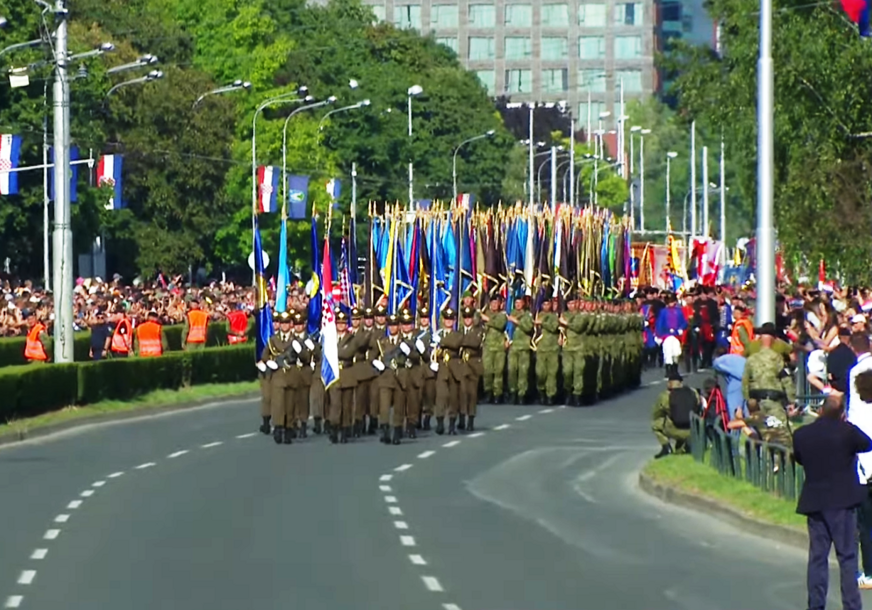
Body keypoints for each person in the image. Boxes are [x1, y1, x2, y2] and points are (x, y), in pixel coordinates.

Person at [793, 395, 872, 610]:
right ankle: (851, 605)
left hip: (815, 501)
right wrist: (847, 423)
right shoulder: (846, 432)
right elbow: (867, 443)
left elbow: (798, 457)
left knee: (818, 558)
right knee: (847, 557)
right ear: (842, 413)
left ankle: (816, 605)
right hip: (842, 503)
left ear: (820, 411)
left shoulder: (802, 434)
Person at [742, 322, 797, 448]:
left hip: (756, 401)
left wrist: (748, 402)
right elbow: (786, 380)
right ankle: (781, 463)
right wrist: (792, 401)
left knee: (761, 431)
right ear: (773, 339)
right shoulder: (777, 358)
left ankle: (762, 459)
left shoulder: (751, 358)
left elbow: (745, 382)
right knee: (782, 433)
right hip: (774, 400)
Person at [652, 369, 701, 458]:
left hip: (675, 430)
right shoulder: (693, 392)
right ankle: (684, 446)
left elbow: (657, 413)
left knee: (656, 425)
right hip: (692, 430)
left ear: (669, 383)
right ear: (681, 383)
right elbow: (699, 407)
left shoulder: (665, 396)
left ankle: (666, 447)